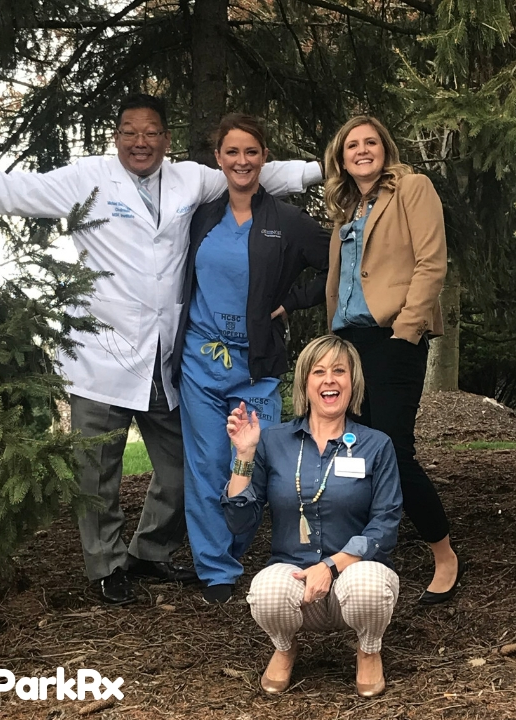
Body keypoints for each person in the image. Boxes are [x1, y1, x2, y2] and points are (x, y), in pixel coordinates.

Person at [0, 94, 323, 605]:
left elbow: (259, 173)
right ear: (116, 137)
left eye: (151, 132)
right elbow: (13, 190)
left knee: (182, 469)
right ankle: (106, 564)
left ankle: (150, 550)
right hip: (100, 356)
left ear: (166, 138)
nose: (141, 142)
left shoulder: (192, 178)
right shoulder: (87, 178)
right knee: (97, 473)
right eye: (129, 132)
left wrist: (329, 166)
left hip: (165, 359)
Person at [176, 114, 330, 604]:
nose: (242, 161)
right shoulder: (202, 216)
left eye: (252, 152)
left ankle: (237, 548)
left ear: (264, 158)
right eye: (232, 152)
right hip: (201, 364)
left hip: (257, 367)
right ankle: (217, 570)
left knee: (250, 462)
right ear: (218, 159)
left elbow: (339, 261)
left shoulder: (285, 221)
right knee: (207, 463)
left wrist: (296, 299)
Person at [322, 116, 463, 604]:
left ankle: (443, 554)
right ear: (341, 158)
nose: (362, 150)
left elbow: (431, 261)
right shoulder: (347, 208)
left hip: (393, 337)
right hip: (349, 343)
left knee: (393, 453)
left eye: (370, 142)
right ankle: (360, 556)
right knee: (351, 451)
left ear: (386, 147)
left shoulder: (412, 188)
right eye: (351, 146)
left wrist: (406, 331)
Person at [223, 335, 402, 697]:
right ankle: (285, 648)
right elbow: (239, 522)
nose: (329, 379)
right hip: (296, 580)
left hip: (354, 575)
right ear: (306, 382)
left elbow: (386, 523)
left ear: (353, 382)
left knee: (369, 585)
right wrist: (243, 454)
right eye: (319, 371)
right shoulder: (273, 441)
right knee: (267, 591)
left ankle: (368, 650)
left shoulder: (376, 444)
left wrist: (333, 565)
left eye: (339, 370)